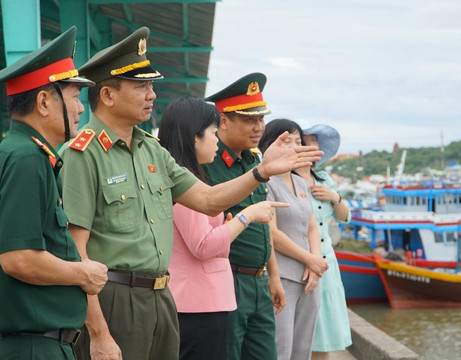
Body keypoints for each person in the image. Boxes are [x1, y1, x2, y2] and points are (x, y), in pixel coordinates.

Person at [59, 28, 322, 360]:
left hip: (162, 297)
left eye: (152, 85)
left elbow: (209, 199)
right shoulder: (83, 154)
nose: (152, 95)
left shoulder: (151, 151)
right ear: (108, 95)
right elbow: (76, 255)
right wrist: (98, 334)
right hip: (114, 299)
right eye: (141, 86)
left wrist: (261, 172)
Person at [0, 27, 108, 360]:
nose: (80, 109)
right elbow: (18, 258)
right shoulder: (26, 159)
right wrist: (82, 272)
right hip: (32, 346)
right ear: (45, 101)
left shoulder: (28, 154)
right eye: (75, 97)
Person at [158, 97, 288, 360]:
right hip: (198, 301)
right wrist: (245, 217)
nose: (216, 140)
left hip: (215, 296)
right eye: (213, 133)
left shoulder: (201, 175)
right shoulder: (189, 182)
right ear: (194, 138)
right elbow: (203, 245)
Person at [204, 73, 297, 360]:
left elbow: (264, 222)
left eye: (261, 119)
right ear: (223, 121)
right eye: (248, 119)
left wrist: (274, 276)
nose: (258, 127)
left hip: (258, 280)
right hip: (226, 279)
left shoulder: (255, 161)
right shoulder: (207, 163)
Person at [258, 119, 328, 360]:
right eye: (287, 142)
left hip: (309, 275)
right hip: (283, 276)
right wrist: (310, 259)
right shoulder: (266, 182)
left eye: (298, 142)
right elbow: (272, 233)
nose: (294, 147)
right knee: (282, 346)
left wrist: (315, 262)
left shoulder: (300, 182)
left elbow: (311, 226)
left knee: (303, 347)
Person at [296, 124, 352, 360]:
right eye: (307, 140)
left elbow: (344, 217)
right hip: (298, 260)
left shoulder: (324, 178)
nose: (312, 145)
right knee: (299, 329)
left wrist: (335, 197)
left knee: (325, 330)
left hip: (326, 260)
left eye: (315, 141)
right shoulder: (286, 179)